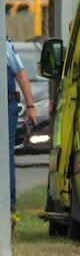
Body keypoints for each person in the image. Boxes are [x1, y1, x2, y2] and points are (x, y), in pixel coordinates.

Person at [6, 37, 38, 215]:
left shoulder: (6, 46)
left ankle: (9, 204)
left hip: (6, 108)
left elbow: (21, 75)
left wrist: (31, 106)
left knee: (5, 155)